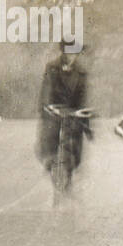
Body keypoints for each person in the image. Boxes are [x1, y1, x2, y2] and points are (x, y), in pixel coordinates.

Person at [36, 40, 90, 174]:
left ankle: (74, 163)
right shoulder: (52, 67)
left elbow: (82, 96)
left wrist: (83, 113)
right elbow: (46, 89)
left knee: (76, 135)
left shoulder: (81, 72)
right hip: (54, 108)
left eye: (75, 53)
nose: (72, 56)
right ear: (64, 52)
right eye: (69, 53)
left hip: (73, 110)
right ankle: (49, 161)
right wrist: (47, 106)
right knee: (49, 134)